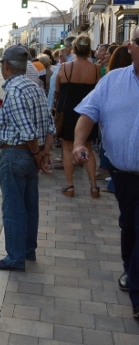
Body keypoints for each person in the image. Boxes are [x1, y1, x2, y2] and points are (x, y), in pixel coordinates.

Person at [72, 27, 139, 319]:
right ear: (131, 46)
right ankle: (129, 270)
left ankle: (137, 295)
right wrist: (77, 143)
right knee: (129, 226)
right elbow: (89, 113)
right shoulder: (113, 80)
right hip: (123, 174)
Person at [0, 44, 55, 272]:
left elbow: (26, 131)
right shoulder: (35, 87)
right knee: (29, 206)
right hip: (30, 155)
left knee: (13, 207)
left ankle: (15, 258)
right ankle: (28, 250)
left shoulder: (14, 91)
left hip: (15, 154)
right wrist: (44, 152)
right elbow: (49, 123)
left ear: (6, 66)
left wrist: (38, 155)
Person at [53, 35, 101, 198]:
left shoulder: (65, 67)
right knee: (87, 147)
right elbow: (98, 92)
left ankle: (70, 185)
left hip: (67, 110)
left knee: (67, 147)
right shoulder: (96, 69)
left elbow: (57, 90)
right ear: (89, 51)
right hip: (88, 112)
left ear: (73, 49)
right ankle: (94, 186)